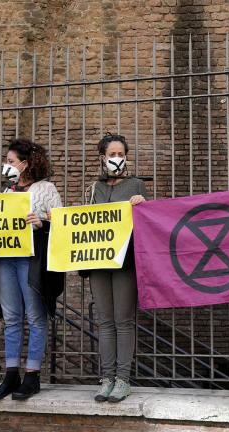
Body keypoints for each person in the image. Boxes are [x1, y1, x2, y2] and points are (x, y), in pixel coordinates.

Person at [0, 138, 63, 401]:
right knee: (11, 318)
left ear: (25, 164)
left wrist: (41, 223)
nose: (6, 166)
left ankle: (32, 375)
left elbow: (62, 223)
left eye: (10, 161)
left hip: (32, 260)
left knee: (36, 317)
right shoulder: (8, 192)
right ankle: (11, 374)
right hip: (6, 259)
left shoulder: (46, 189)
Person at [88, 133, 148, 403]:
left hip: (126, 261)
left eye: (120, 154)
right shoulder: (95, 188)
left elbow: (148, 222)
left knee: (123, 321)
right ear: (103, 158)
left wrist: (142, 205)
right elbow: (85, 219)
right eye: (111, 154)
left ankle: (123, 379)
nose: (116, 159)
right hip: (99, 259)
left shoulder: (136, 185)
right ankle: (106, 379)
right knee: (104, 321)